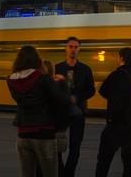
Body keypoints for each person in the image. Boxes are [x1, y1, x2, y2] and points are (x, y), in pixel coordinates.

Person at [8, 46, 71, 177]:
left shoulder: (11, 80)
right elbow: (63, 100)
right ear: (37, 59)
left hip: (23, 135)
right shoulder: (43, 78)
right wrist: (63, 84)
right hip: (44, 134)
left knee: (27, 174)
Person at [96, 48, 131, 177]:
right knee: (128, 158)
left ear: (121, 58)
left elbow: (103, 90)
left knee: (104, 159)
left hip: (116, 124)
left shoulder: (117, 74)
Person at [55, 36, 95, 175]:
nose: (73, 49)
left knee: (75, 146)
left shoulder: (85, 69)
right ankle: (61, 171)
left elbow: (91, 90)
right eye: (70, 47)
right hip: (60, 112)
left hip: (79, 111)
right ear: (65, 49)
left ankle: (68, 173)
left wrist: (77, 98)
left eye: (76, 47)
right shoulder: (57, 68)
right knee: (58, 145)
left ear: (79, 49)